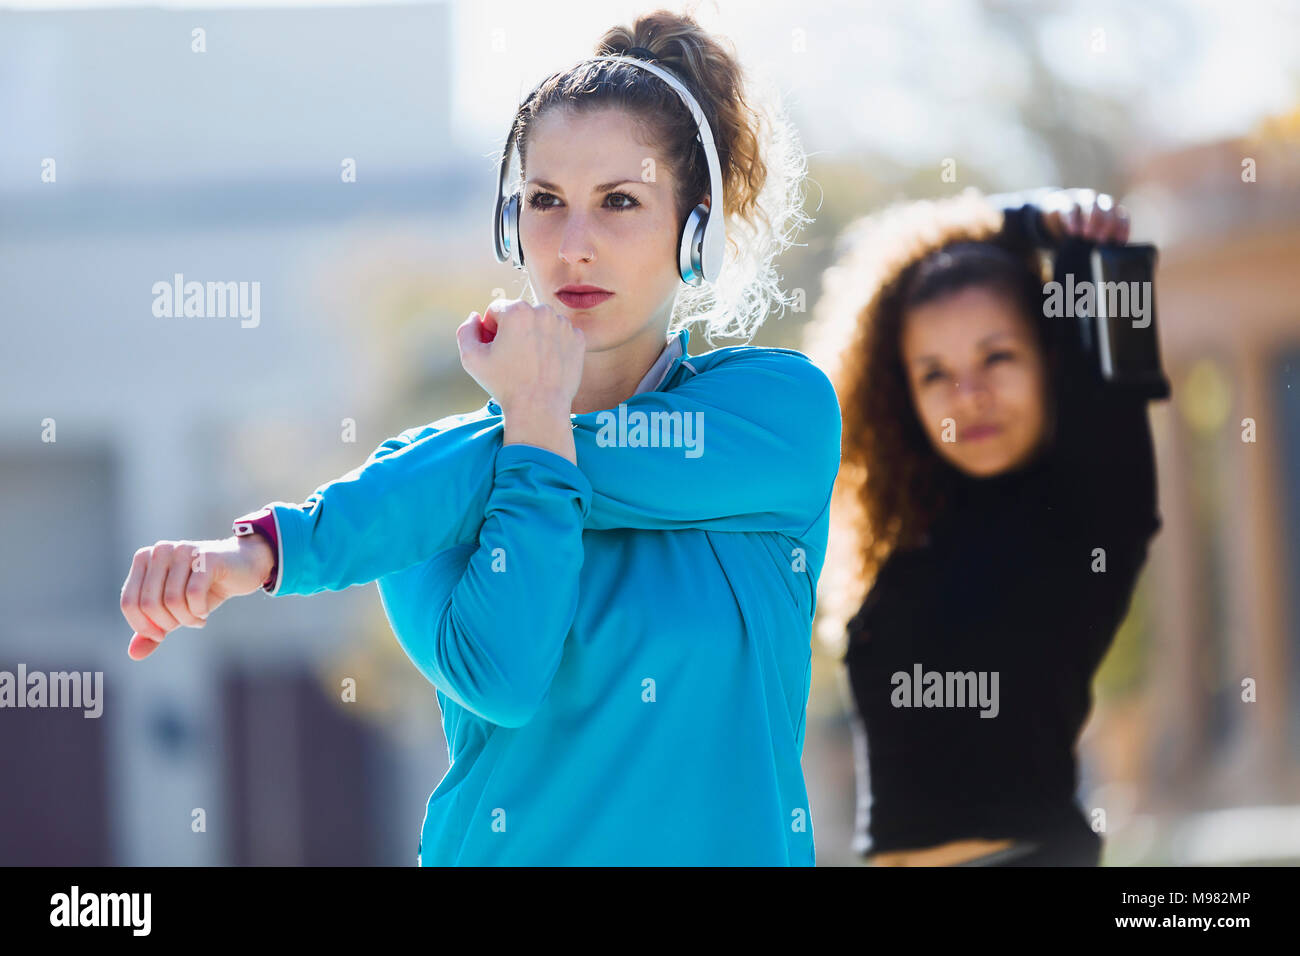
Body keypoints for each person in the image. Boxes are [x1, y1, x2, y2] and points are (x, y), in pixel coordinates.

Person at [118, 11, 841, 866]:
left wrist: (271, 552)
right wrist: (534, 429)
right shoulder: (412, 488)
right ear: (511, 224)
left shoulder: (774, 414)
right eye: (545, 203)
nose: (574, 246)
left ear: (697, 228)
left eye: (619, 201)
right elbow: (505, 678)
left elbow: (568, 459)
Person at [803, 188, 1163, 866]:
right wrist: (1016, 222)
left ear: (1052, 357)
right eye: (934, 373)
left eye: (997, 357)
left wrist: (1064, 234)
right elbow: (888, 236)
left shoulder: (1091, 503)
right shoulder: (908, 524)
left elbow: (1117, 336)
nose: (969, 397)